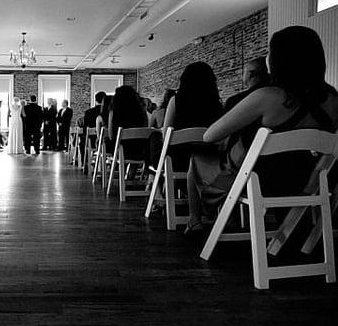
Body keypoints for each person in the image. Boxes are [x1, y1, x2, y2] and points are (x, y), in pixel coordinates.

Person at [185, 26, 338, 235]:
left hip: (258, 181)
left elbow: (210, 135)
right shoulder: (333, 99)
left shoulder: (268, 97)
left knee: (197, 159)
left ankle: (198, 220)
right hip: (308, 181)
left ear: (279, 60)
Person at [109, 85, 150, 171]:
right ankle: (131, 172)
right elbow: (145, 130)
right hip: (141, 151)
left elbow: (111, 136)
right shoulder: (142, 112)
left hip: (121, 151)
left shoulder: (114, 112)